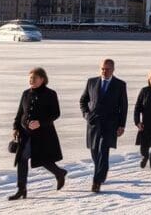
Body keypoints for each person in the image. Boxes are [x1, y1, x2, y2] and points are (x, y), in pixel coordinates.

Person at [9, 67, 67, 200]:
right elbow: (20, 113)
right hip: (25, 134)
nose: (31, 80)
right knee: (22, 159)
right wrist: (15, 127)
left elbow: (55, 114)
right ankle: (21, 189)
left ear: (42, 79)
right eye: (30, 78)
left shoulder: (50, 94)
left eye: (34, 78)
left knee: (43, 160)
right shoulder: (25, 93)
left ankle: (59, 173)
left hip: (43, 135)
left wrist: (40, 122)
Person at [79, 58, 128, 193]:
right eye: (102, 69)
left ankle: (97, 181)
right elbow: (83, 101)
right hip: (93, 123)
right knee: (94, 152)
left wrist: (121, 125)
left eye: (107, 69)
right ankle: (102, 171)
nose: (104, 71)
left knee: (103, 151)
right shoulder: (92, 82)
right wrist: (86, 115)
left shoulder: (120, 84)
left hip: (110, 124)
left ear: (113, 70)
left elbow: (123, 107)